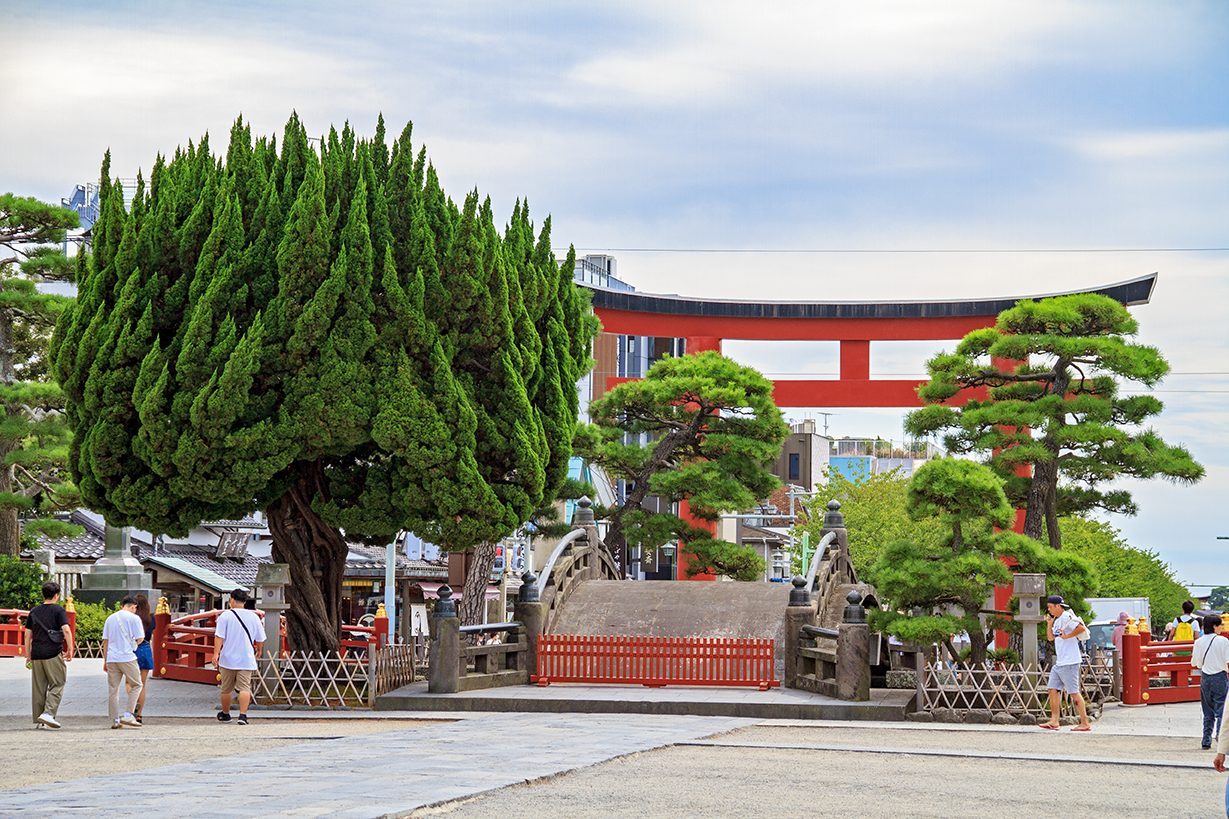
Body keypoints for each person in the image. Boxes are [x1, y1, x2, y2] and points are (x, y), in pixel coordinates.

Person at [22, 581, 75, 729]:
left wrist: (28, 655)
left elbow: (27, 635)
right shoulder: (58, 611)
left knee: (38, 688)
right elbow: (66, 630)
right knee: (58, 683)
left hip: (36, 653)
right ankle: (48, 713)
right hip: (53, 652)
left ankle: (39, 721)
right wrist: (70, 648)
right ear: (56, 595)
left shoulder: (34, 611)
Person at [210, 588, 265, 725]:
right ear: (245, 602)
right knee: (244, 687)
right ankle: (243, 716)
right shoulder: (254, 617)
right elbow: (260, 638)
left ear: (232, 600)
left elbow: (219, 636)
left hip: (228, 658)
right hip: (246, 658)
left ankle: (226, 714)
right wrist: (259, 650)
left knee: (226, 688)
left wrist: (216, 653)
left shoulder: (225, 616)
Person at [1041, 594, 1092, 732]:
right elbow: (1050, 638)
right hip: (1060, 662)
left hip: (1070, 661)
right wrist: (1049, 623)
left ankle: (1084, 722)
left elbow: (1081, 628)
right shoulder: (1057, 620)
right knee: (1052, 689)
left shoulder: (1066, 616)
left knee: (1074, 692)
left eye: (1050, 607)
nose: (1049, 610)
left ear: (1058, 606)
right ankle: (1054, 720)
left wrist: (1067, 636)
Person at [101, 596, 145, 729]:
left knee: (113, 689)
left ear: (122, 606)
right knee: (137, 684)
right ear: (134, 606)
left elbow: (105, 641)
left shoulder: (110, 618)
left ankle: (115, 720)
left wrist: (105, 660)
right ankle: (128, 714)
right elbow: (140, 638)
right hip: (127, 657)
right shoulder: (135, 618)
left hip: (112, 657)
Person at [1193, 614, 1229, 750]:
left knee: (1207, 711)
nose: (1221, 627)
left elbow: (1195, 663)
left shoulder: (1198, 642)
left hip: (1205, 677)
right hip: (1220, 676)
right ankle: (1220, 735)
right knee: (1221, 711)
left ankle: (1206, 739)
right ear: (1214, 626)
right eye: (1220, 625)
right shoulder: (1223, 641)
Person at [130, 594, 155, 724]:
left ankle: (132, 707)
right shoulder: (151, 618)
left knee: (130, 683)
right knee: (142, 685)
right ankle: (139, 715)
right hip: (146, 648)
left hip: (133, 648)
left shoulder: (131, 618)